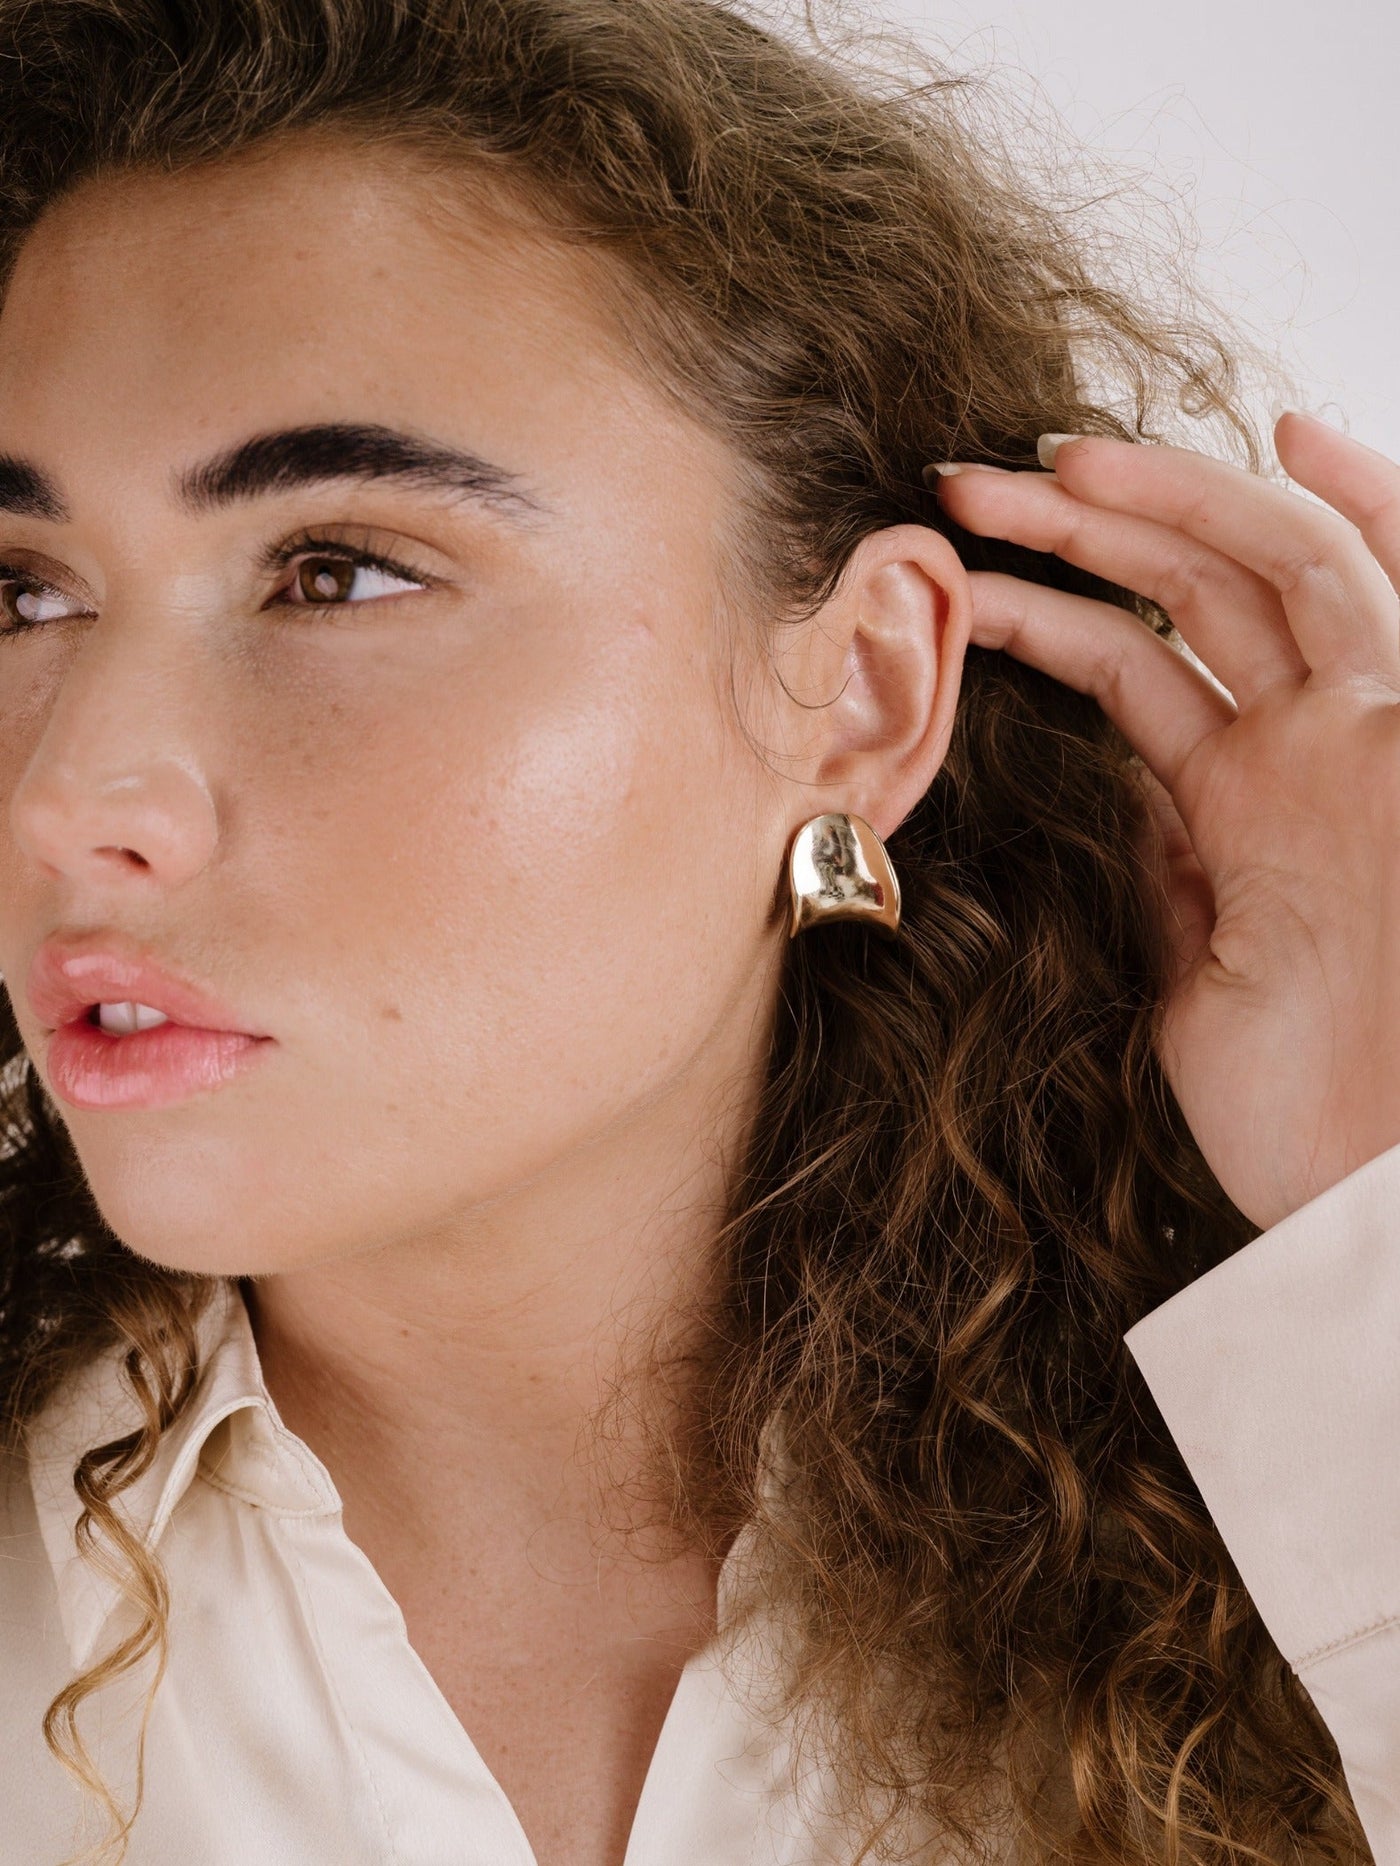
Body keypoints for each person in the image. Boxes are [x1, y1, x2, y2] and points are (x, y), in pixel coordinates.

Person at [0, 0, 1394, 1861]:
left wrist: (1364, 1192)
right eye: (21, 592)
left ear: (865, 695)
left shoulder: (1294, 1508)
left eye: (335, 570)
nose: (72, 792)